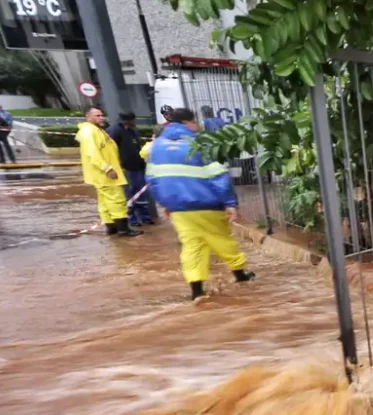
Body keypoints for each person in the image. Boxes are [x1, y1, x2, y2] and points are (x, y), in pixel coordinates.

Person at [146, 107, 254, 301]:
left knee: (192, 246)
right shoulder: (199, 143)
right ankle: (240, 275)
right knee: (222, 240)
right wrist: (230, 203)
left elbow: (152, 179)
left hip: (178, 208)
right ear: (188, 122)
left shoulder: (157, 146)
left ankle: (196, 291)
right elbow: (218, 176)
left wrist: (165, 203)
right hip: (206, 203)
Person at [77, 107, 142, 237]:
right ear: (87, 117)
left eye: (101, 115)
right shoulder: (89, 132)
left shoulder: (97, 131)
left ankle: (112, 227)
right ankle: (123, 229)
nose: (101, 118)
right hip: (105, 174)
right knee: (117, 200)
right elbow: (92, 153)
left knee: (105, 202)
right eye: (97, 115)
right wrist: (107, 168)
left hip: (101, 174)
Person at [107, 112, 155, 226]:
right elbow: (110, 151)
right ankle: (131, 219)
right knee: (129, 194)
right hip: (125, 168)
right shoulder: (115, 131)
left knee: (140, 192)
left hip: (137, 166)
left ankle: (145, 217)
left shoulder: (133, 131)